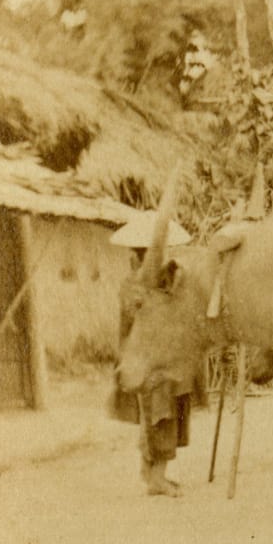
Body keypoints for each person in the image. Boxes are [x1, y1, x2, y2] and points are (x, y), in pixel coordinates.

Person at [108, 212, 206, 497]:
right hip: (147, 360)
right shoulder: (135, 288)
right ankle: (156, 478)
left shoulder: (160, 284)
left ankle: (151, 474)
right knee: (158, 415)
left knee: (163, 414)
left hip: (161, 357)